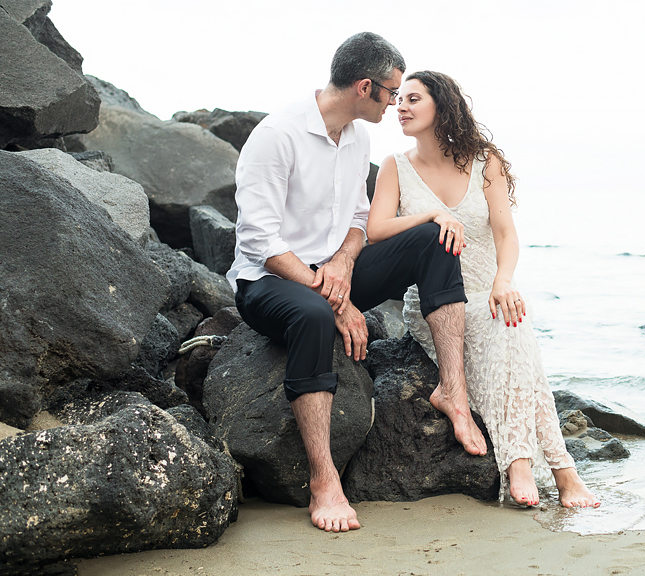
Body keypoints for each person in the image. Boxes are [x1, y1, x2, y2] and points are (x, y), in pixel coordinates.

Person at [226, 34, 487, 533]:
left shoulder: (357, 137)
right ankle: (324, 481)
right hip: (268, 282)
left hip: (331, 271)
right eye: (391, 93)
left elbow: (360, 218)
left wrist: (344, 265)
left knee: (434, 237)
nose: (394, 104)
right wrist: (333, 298)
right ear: (365, 87)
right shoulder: (276, 135)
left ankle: (452, 390)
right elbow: (261, 241)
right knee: (314, 315)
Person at [366, 70, 599, 508]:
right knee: (511, 337)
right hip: (437, 304)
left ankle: (545, 470)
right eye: (399, 98)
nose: (401, 106)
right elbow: (377, 230)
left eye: (413, 99)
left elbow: (507, 234)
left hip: (489, 289)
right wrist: (432, 216)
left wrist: (503, 281)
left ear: (442, 106)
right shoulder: (397, 166)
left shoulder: (482, 160)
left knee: (512, 330)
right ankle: (538, 469)